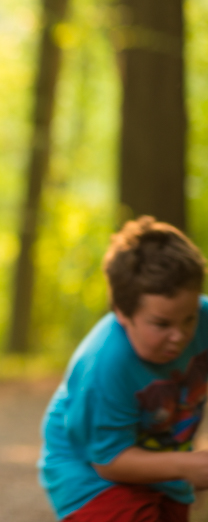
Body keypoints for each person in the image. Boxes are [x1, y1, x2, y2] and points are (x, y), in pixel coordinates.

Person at [39, 216, 208, 521]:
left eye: (189, 318)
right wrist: (187, 466)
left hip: (164, 468)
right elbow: (109, 461)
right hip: (92, 476)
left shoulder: (202, 318)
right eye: (161, 324)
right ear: (122, 311)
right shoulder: (104, 364)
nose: (180, 335)